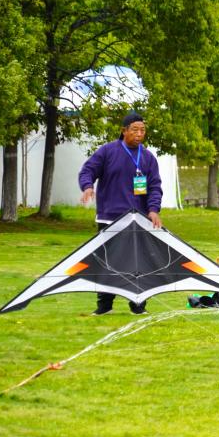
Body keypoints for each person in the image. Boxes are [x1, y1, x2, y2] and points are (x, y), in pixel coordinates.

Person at [78, 112, 163, 315]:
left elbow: (155, 187)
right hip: (109, 218)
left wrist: (153, 210)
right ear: (124, 131)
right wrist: (87, 186)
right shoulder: (108, 151)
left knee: (138, 263)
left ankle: (138, 306)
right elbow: (88, 170)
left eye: (142, 130)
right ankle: (104, 306)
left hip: (138, 220)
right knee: (108, 263)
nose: (139, 133)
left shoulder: (148, 158)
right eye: (135, 129)